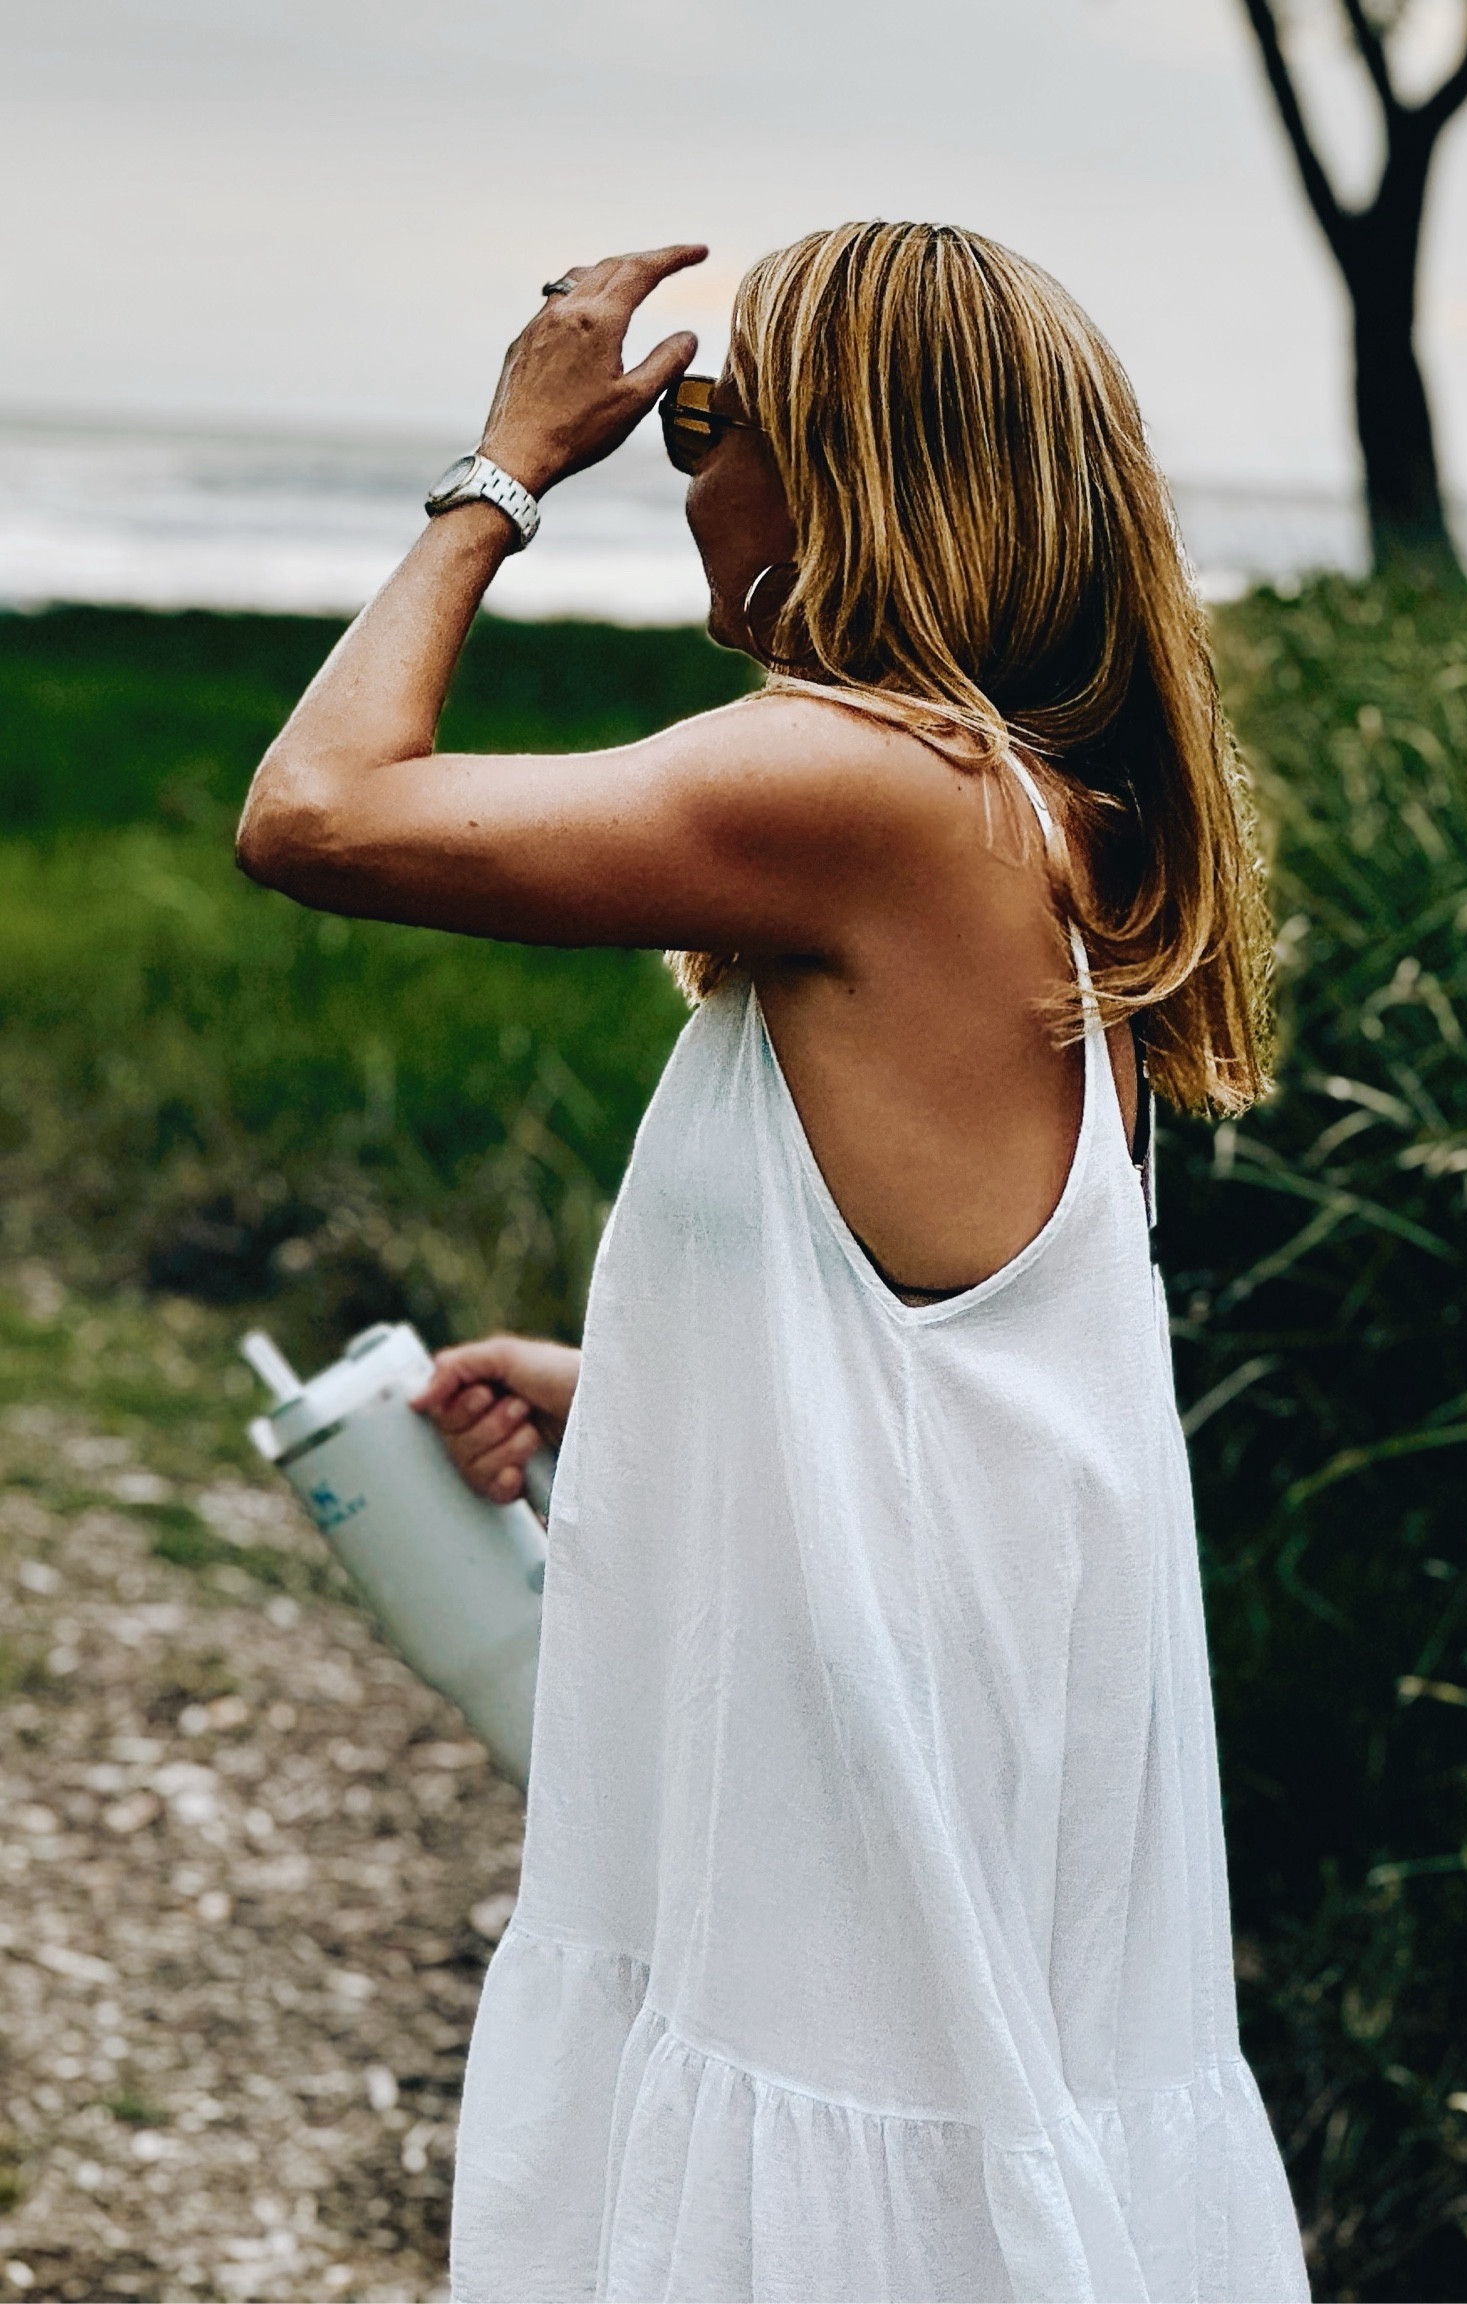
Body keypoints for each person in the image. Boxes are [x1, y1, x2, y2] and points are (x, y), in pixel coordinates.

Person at [238, 223, 1309, 2304]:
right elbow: (959, 1364)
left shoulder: (864, 784)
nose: (681, 470)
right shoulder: (1012, 801)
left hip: (866, 1753)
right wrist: (617, 1389)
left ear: (850, 464)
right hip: (942, 1695)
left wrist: (504, 467)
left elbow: (317, 811)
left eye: (703, 426)